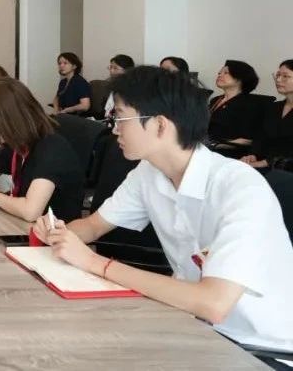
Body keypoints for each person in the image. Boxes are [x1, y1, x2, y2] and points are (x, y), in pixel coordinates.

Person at [34, 66, 293, 358]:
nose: (114, 129)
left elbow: (214, 303)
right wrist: (56, 232)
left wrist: (94, 263)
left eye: (120, 118)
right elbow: (93, 226)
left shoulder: (240, 188)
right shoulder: (149, 172)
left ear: (160, 125)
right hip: (192, 325)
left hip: (257, 349)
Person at [0, 78, 84, 223]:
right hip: (21, 223)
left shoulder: (51, 149)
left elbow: (30, 211)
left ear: (7, 120)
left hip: (52, 232)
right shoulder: (17, 141)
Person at [242, 59, 293, 173]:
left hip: (285, 168)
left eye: (285, 76)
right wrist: (253, 155)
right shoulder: (273, 107)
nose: (278, 80)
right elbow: (260, 136)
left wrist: (267, 162)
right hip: (263, 163)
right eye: (278, 75)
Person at [207, 59, 261, 158]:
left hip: (229, 154)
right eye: (219, 73)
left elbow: (246, 140)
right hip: (208, 148)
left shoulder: (249, 103)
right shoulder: (216, 100)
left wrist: (216, 145)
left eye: (225, 73)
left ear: (240, 77)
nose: (220, 75)